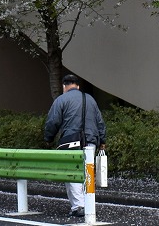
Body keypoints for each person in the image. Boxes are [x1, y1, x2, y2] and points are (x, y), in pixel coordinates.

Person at [43, 73, 106, 218]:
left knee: (72, 172)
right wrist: (102, 140)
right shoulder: (90, 99)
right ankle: (88, 203)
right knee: (87, 171)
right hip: (90, 140)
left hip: (70, 140)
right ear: (78, 86)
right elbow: (100, 122)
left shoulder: (61, 99)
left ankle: (78, 206)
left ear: (64, 86)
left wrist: (48, 138)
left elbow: (53, 121)